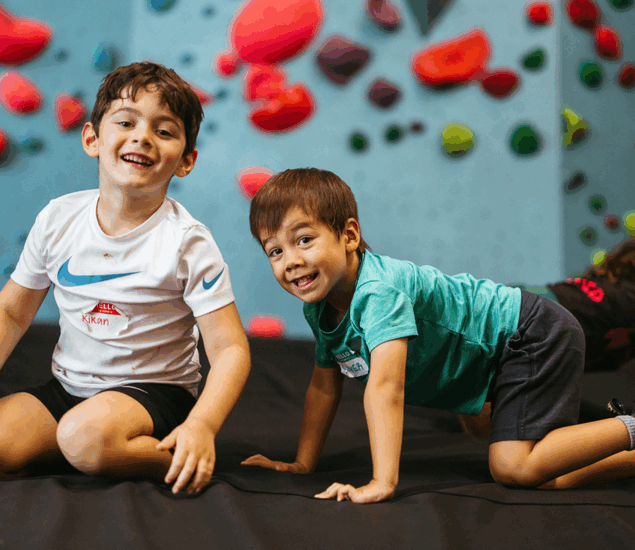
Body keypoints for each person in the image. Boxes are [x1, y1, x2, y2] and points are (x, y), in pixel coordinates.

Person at [242, 167, 635, 503]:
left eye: (303, 240)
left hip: (530, 333)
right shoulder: (320, 307)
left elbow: (385, 388)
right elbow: (324, 387)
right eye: (274, 251)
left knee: (512, 466)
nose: (290, 261)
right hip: (488, 360)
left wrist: (382, 482)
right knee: (539, 474)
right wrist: (302, 463)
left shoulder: (379, 290)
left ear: (348, 235)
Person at [0, 62, 250, 495]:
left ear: (186, 161)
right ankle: (86, 447)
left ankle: (173, 461)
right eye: (126, 122)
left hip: (155, 395)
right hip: (70, 390)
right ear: (92, 139)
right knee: (32, 441)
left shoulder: (187, 243)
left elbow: (230, 349)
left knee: (84, 437)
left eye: (165, 131)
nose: (142, 137)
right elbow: (11, 313)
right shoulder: (58, 219)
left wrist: (201, 426)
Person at [460, 239, 635, 438]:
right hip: (536, 321)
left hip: (514, 297)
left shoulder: (605, 281)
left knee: (477, 378)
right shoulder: (629, 301)